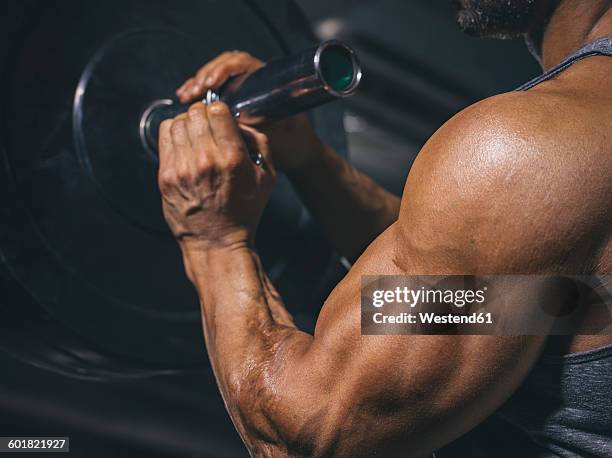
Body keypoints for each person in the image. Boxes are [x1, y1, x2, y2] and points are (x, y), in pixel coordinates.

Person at [157, 0, 612, 455]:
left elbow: (311, 437)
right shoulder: (576, 156)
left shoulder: (535, 147)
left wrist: (214, 240)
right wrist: (311, 162)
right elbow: (499, 293)